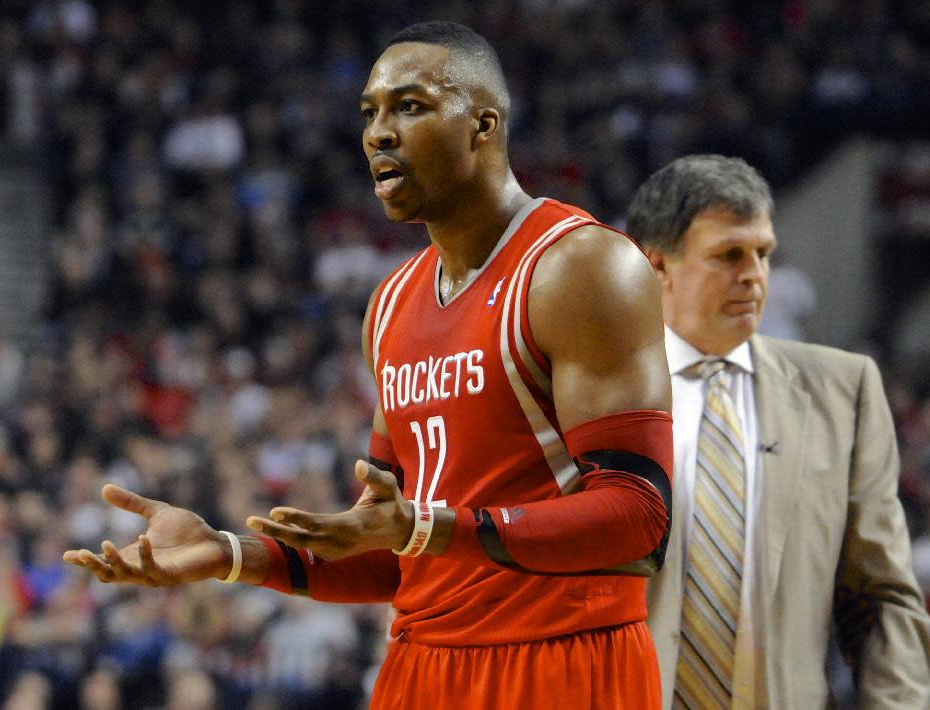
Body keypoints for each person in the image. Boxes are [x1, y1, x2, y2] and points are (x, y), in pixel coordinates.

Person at [64, 21, 674, 709]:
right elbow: (385, 548)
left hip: (559, 661)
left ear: (482, 124)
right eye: (369, 113)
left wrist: (426, 527)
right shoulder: (389, 304)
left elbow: (638, 519)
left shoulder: (582, 267)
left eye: (409, 106)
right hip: (418, 667)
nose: (378, 133)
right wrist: (230, 552)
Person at [626, 154, 930, 709]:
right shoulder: (585, 395)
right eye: (728, 256)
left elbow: (882, 598)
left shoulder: (845, 391)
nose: (753, 275)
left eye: (763, 253)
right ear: (657, 266)